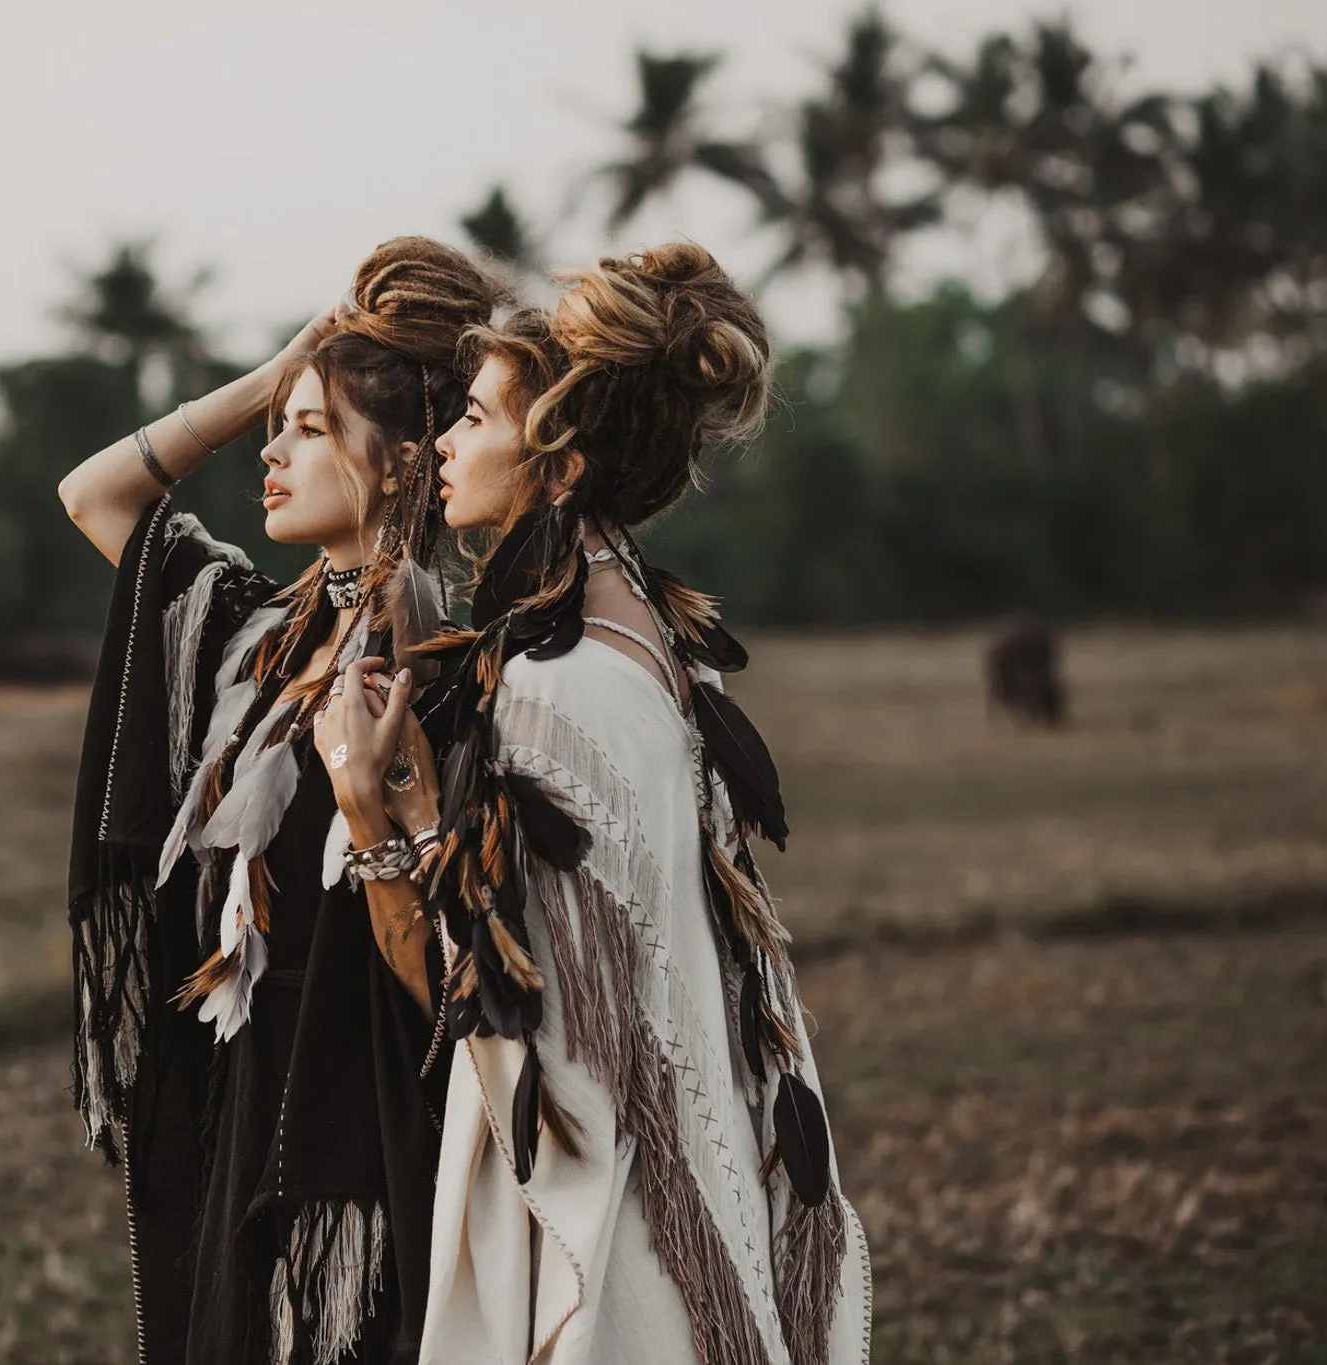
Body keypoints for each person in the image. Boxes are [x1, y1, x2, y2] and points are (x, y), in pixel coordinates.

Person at [388, 244, 872, 1362]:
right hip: (704, 1173)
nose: (443, 445)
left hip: (623, 1227)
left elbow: (551, 1021)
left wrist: (391, 809)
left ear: (556, 468)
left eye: (469, 417)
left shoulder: (557, 688)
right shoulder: (651, 642)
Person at [57, 236, 501, 1364]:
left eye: (308, 432)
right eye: (279, 427)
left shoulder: (438, 667)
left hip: (358, 1114)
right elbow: (91, 492)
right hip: (241, 1087)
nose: (272, 453)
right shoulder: (253, 636)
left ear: (403, 463)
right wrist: (275, 375)